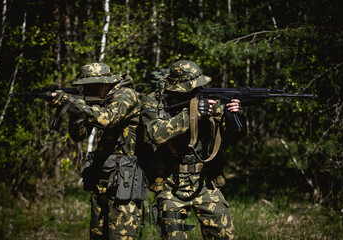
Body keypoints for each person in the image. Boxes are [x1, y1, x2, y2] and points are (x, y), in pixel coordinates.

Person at [139, 60, 247, 239]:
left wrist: (235, 117)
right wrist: (191, 114)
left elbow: (235, 137)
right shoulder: (155, 100)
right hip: (170, 184)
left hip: (205, 182)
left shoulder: (209, 99)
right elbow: (154, 134)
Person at [50, 62, 147, 240]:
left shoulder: (126, 95)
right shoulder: (99, 101)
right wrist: (74, 112)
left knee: (121, 236)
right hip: (103, 177)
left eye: (90, 88)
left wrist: (74, 103)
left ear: (104, 84)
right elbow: (79, 135)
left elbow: (107, 119)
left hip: (125, 180)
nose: (86, 92)